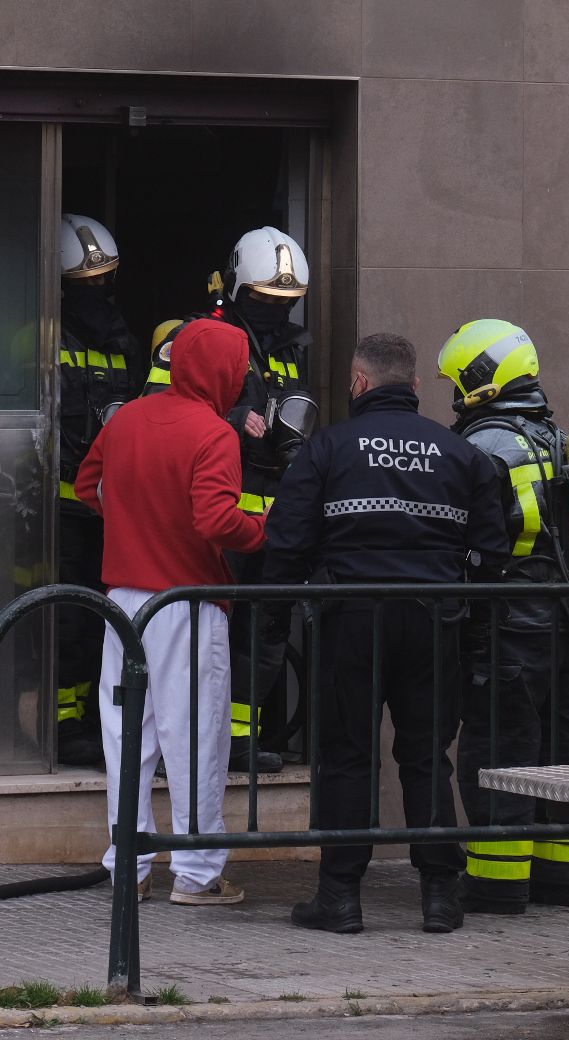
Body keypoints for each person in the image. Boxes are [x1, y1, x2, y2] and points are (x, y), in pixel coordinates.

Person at [265, 332, 509, 935]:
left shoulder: (327, 448)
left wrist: (272, 618)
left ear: (358, 383)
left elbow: (287, 542)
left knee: (348, 756)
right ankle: (439, 897)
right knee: (427, 757)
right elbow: (492, 547)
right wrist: (462, 603)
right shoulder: (458, 452)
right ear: (417, 387)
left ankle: (341, 897)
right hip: (433, 621)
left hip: (351, 620)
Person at [74, 319, 267, 906]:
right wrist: (263, 530)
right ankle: (197, 875)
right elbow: (214, 519)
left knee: (126, 740)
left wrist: (137, 521)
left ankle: (128, 867)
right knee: (196, 740)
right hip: (187, 604)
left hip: (123, 604)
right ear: (224, 373)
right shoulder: (215, 433)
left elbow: (89, 487)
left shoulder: (127, 417)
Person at [146, 227, 318, 774]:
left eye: (285, 303)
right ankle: (194, 739)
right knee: (203, 632)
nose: (274, 310)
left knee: (267, 628)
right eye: (265, 299)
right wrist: (228, 423)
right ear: (238, 287)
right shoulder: (196, 340)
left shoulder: (291, 350)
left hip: (274, 517)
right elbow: (159, 412)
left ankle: (239, 738)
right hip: (215, 519)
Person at [437, 319, 569, 913]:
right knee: (561, 750)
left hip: (507, 625)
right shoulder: (553, 437)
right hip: (562, 623)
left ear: (482, 379)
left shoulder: (486, 446)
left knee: (499, 751)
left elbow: (479, 540)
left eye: (459, 381)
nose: (453, 395)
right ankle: (561, 878)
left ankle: (497, 884)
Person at [51, 214, 142, 767]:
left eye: (104, 279)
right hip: (56, 509)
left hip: (107, 510)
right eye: (85, 283)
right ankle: (60, 723)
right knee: (64, 618)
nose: (97, 291)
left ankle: (87, 719)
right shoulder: (35, 337)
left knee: (97, 619)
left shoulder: (122, 340)